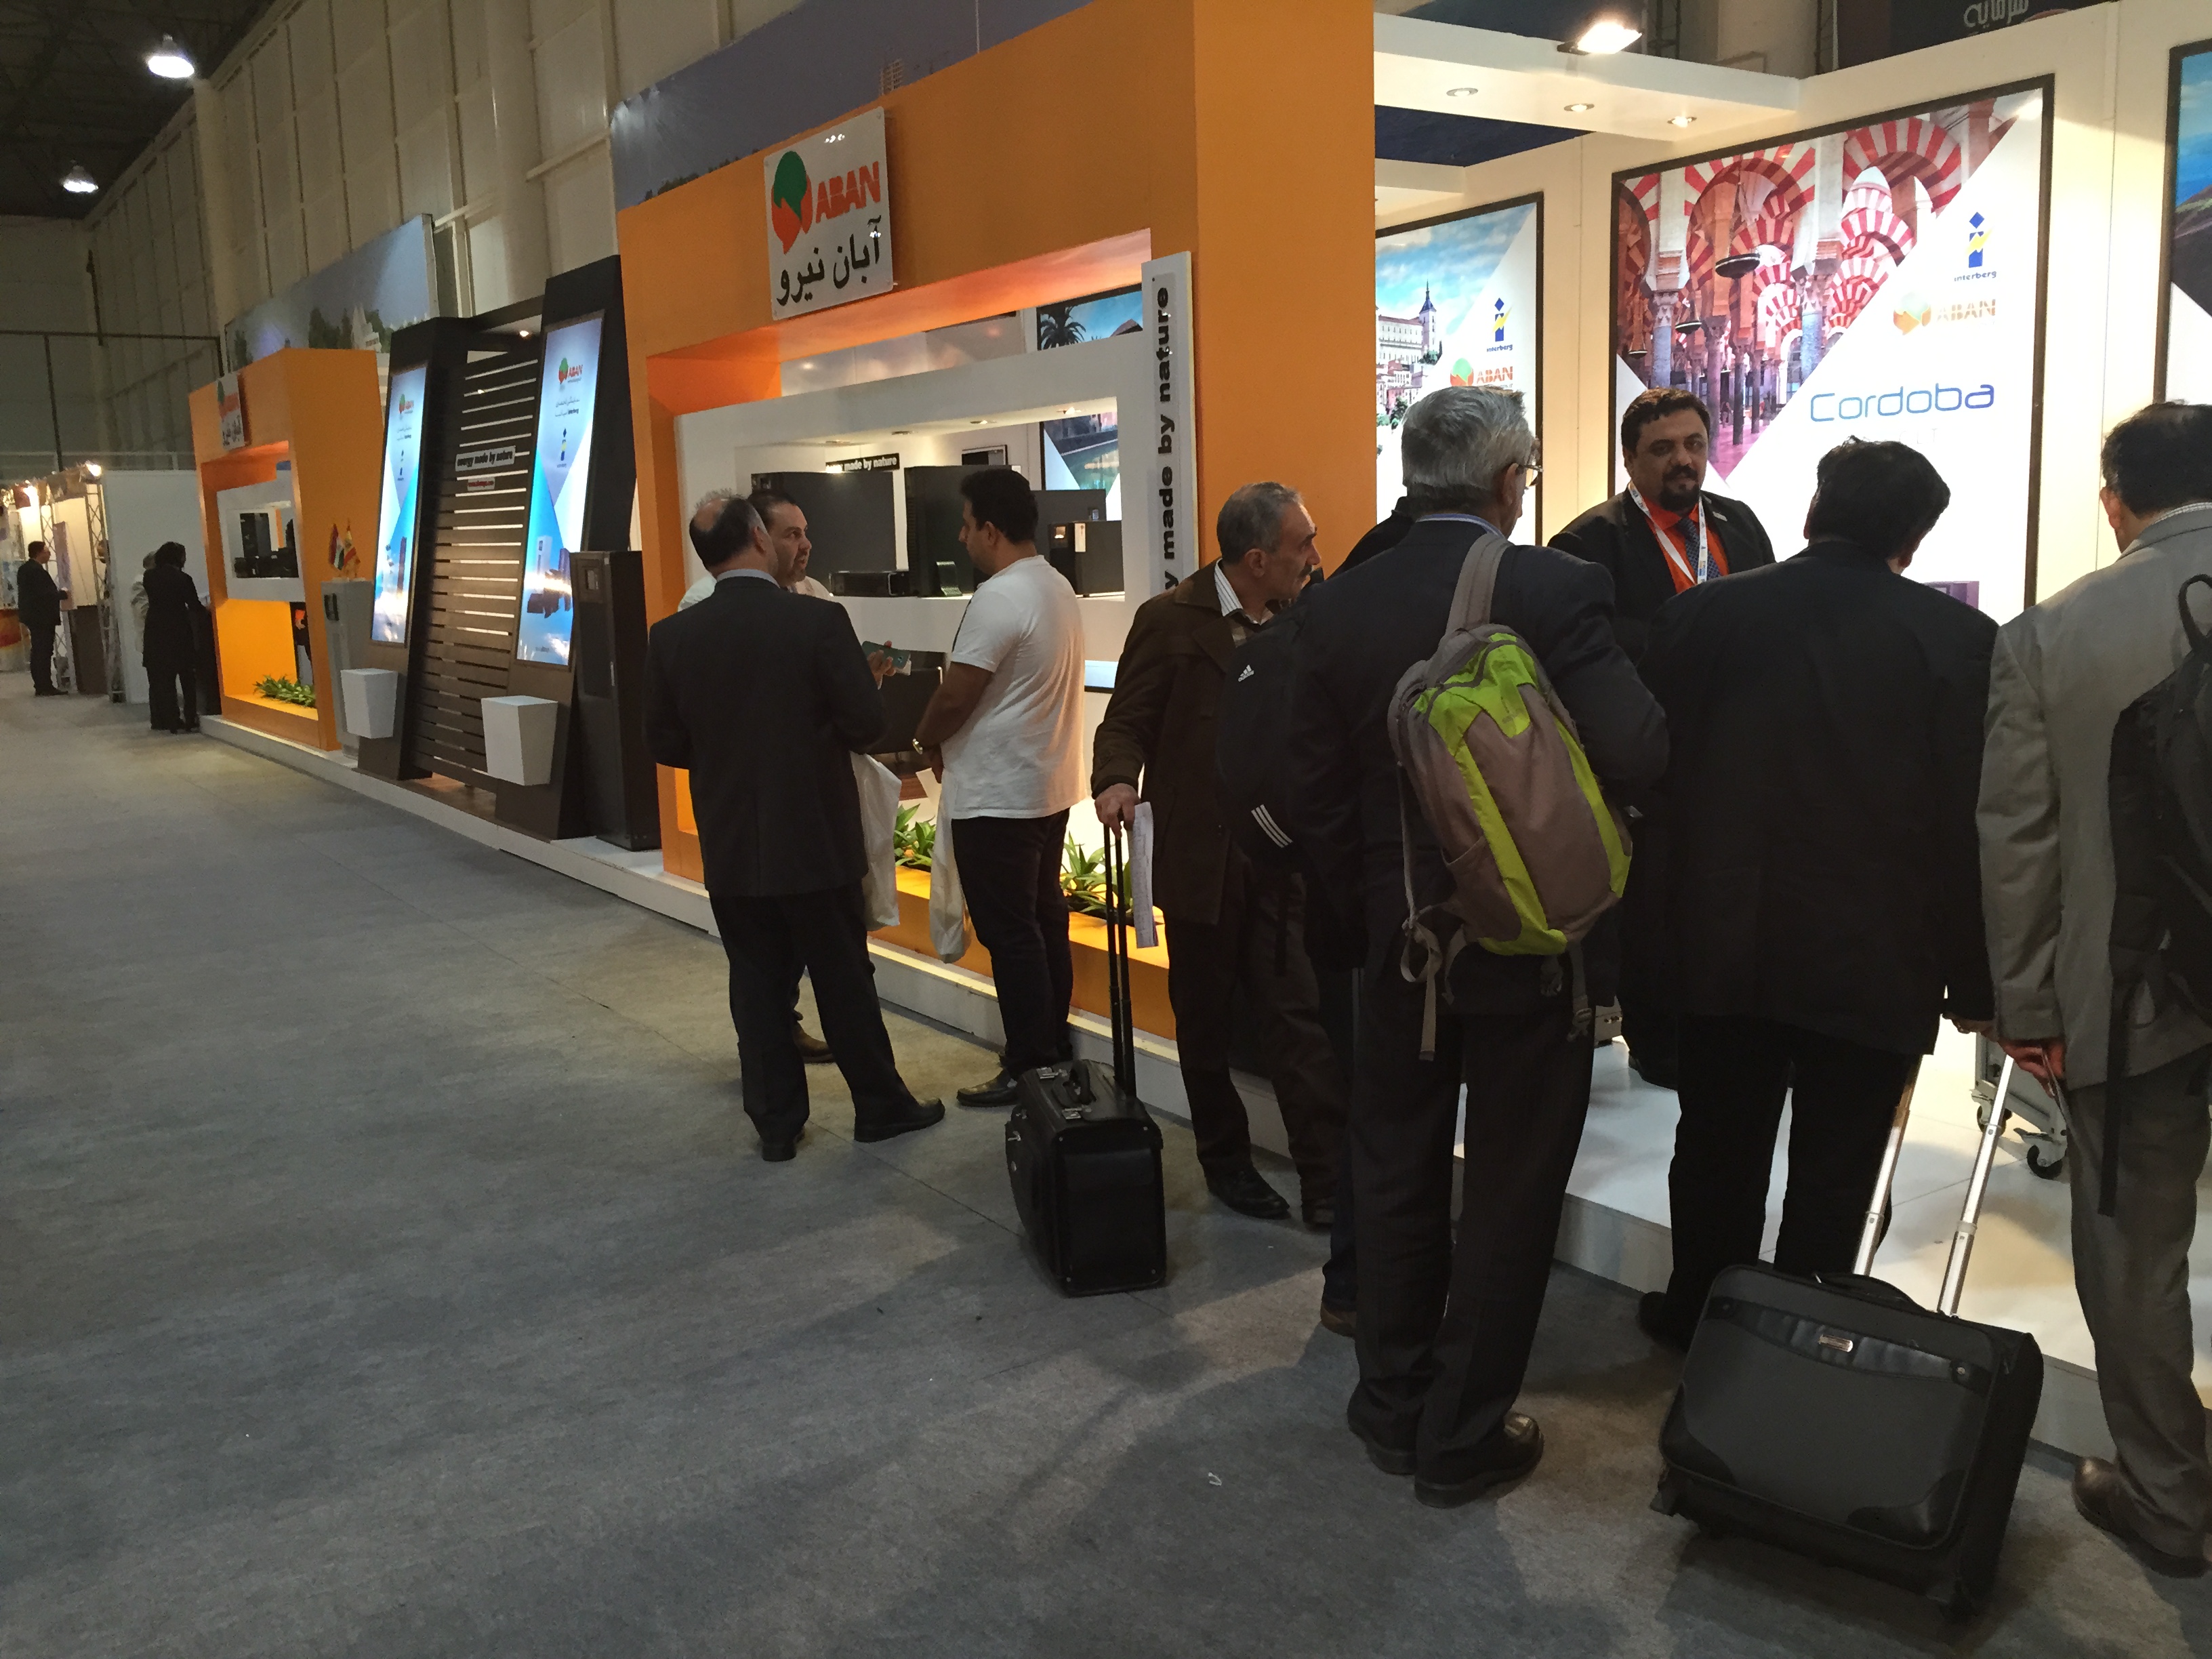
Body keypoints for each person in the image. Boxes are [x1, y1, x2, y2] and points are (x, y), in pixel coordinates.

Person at [1286, 386, 1666, 1507]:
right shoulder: (1547, 587)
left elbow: (1308, 793)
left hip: (1394, 947)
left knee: (1393, 1167)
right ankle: (1460, 1431)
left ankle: (1390, 1401)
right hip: (1529, 947)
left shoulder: (1335, 604)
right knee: (1510, 1185)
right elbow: (1637, 748)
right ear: (1510, 481)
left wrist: (1366, 920)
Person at [1634, 438, 1995, 1351]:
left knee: (1715, 1148)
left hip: (1723, 934)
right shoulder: (1958, 642)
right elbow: (1965, 827)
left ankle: (1696, 1314)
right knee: (1837, 1172)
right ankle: (1793, 1344)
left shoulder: (1699, 617)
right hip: (1875, 953)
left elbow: (1656, 791)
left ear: (1812, 512)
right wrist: (1977, 980)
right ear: (1912, 539)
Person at [1979, 400, 2212, 1578]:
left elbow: (2017, 840)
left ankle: (2168, 1498)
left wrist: (2028, 1009)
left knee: (2134, 1252)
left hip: (2134, 994)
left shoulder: (2049, 633)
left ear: (2113, 501)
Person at [644, 489, 943, 1160]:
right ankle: (881, 1107)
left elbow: (663, 742)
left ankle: (776, 1125)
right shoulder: (817, 621)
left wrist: (728, 765)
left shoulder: (672, 636)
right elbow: (866, 724)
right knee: (843, 976)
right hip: (815, 836)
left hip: (731, 839)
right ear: (758, 537)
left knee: (755, 980)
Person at [1092, 481, 1347, 1224]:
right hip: (1202, 857)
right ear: (1257, 559)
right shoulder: (1170, 620)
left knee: (1296, 1015)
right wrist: (1115, 781)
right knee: (1203, 1019)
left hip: (1282, 853)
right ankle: (1225, 1163)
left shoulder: (1307, 616)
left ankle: (1328, 1182)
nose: (1315, 556)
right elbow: (1126, 721)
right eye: (1303, 543)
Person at [1550, 389, 1777, 1088]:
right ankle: (1656, 1041)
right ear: (1629, 459)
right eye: (1663, 448)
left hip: (1738, 751)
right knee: (1655, 905)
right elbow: (1587, 657)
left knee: (1733, 898)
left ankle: (1734, 1025)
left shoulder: (1740, 524)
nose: (1683, 460)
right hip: (1648, 757)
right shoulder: (1587, 544)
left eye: (1694, 445)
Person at [914, 468, 1086, 1106]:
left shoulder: (1000, 596)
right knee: (1042, 921)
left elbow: (957, 692)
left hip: (999, 795)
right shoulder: (1056, 586)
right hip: (1045, 786)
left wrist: (923, 739)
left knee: (1012, 933)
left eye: (966, 526)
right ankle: (1051, 1052)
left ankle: (1029, 1065)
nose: (961, 539)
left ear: (991, 529)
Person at [677, 489, 850, 1064]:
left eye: (806, 533)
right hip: (768, 819)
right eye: (790, 535)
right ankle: (791, 1056)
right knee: (769, 958)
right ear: (758, 538)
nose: (804, 545)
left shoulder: (814, 599)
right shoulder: (700, 610)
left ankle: (776, 1088)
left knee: (788, 956)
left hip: (776, 817)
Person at [142, 542, 207, 733]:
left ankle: (171, 720)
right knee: (187, 678)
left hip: (156, 631)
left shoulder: (149, 577)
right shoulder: (183, 579)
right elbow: (194, 605)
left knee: (165, 680)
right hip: (179, 631)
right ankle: (190, 717)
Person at [18, 540, 62, 696]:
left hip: (34, 617)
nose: (49, 554)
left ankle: (41, 684)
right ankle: (44, 685)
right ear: (39, 553)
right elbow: (43, 594)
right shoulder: (35, 571)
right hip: (41, 617)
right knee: (43, 651)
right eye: (47, 551)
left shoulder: (25, 569)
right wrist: (62, 595)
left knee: (38, 650)